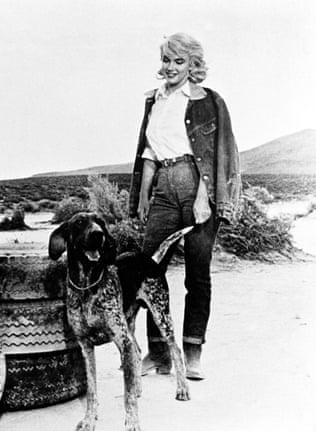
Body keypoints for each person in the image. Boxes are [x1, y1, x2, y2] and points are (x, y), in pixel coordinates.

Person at [128, 33, 240, 381]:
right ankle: (158, 352)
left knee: (197, 273)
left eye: (179, 61)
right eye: (167, 60)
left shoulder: (210, 101)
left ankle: (192, 353)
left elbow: (218, 152)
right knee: (149, 271)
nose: (171, 67)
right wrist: (144, 195)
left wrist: (204, 197)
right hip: (163, 184)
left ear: (193, 65)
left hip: (197, 185)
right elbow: (149, 152)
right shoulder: (155, 101)